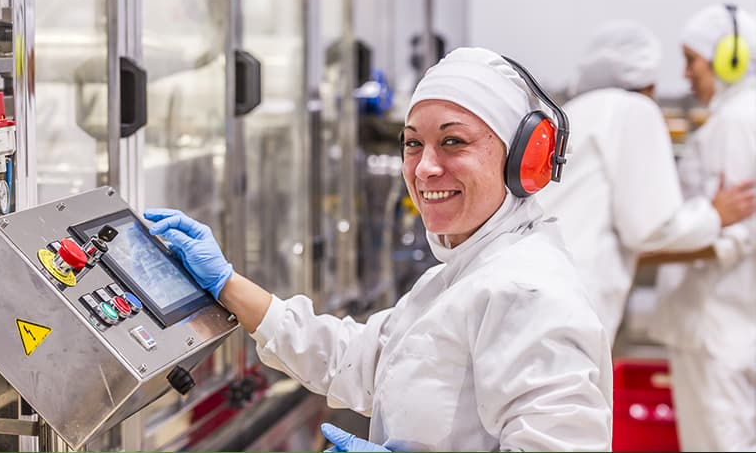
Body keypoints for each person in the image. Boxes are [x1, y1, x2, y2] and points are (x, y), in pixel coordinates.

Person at [145, 48, 612, 451]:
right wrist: (227, 284)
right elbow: (362, 359)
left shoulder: (528, 294)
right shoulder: (458, 274)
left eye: (453, 142)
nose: (425, 168)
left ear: (522, 160)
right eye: (413, 143)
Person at [536, 20, 756, 344]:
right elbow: (650, 229)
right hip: (574, 302)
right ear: (649, 82)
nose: (685, 75)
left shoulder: (574, 112)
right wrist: (716, 215)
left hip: (541, 289)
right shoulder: (633, 110)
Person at [648, 4, 756, 452]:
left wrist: (646, 246)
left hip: (717, 328)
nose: (686, 74)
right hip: (730, 326)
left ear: (728, 58)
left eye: (691, 59)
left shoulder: (735, 123)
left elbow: (736, 229)